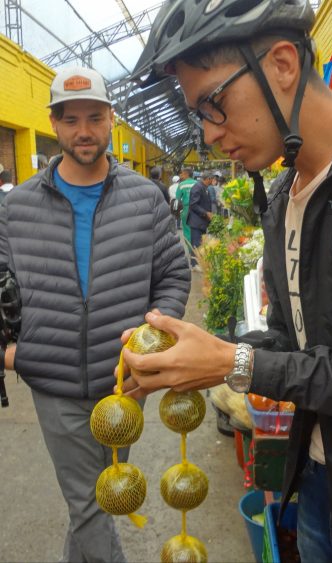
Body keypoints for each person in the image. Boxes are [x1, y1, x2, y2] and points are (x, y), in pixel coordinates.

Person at [122, 1, 332, 562]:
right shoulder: (282, 201)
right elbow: (294, 342)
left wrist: (236, 364)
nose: (207, 133)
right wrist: (199, 355)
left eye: (213, 104)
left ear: (281, 64)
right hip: (322, 483)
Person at [0, 65, 190, 562]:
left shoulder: (145, 198)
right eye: (70, 119)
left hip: (123, 383)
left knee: (101, 497)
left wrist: (153, 338)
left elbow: (173, 276)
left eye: (94, 117)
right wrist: (11, 352)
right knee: (90, 503)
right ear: (54, 124)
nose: (82, 131)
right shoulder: (17, 207)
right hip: (53, 384)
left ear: (111, 120)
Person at [187, 170, 213, 271]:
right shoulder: (198, 187)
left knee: (200, 242)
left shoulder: (204, 187)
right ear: (208, 179)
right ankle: (194, 264)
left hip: (201, 221)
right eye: (211, 179)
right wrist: (205, 213)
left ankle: (198, 263)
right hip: (196, 221)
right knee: (196, 243)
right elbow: (193, 204)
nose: (212, 181)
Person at [175, 167, 196, 251]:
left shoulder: (181, 185)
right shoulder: (197, 183)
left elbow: (177, 198)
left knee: (187, 230)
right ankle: (197, 248)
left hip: (186, 210)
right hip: (196, 210)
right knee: (195, 229)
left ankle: (190, 250)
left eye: (182, 173)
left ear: (187, 174)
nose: (181, 175)